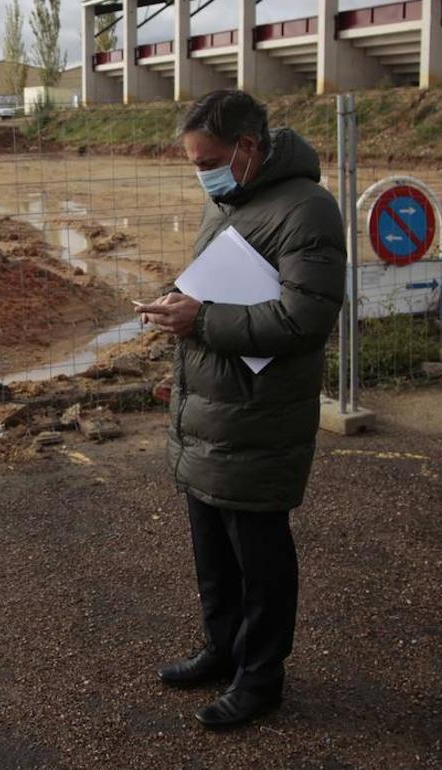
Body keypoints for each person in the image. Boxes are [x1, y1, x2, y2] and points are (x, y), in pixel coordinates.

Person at [136, 89, 346, 729]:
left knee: (259, 557)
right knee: (212, 550)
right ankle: (221, 648)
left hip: (259, 414)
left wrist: (201, 319)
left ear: (250, 148)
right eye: (195, 164)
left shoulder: (309, 210)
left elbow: (304, 319)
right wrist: (181, 304)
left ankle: (261, 678)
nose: (203, 174)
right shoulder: (228, 200)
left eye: (210, 161)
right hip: (208, 402)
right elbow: (215, 283)